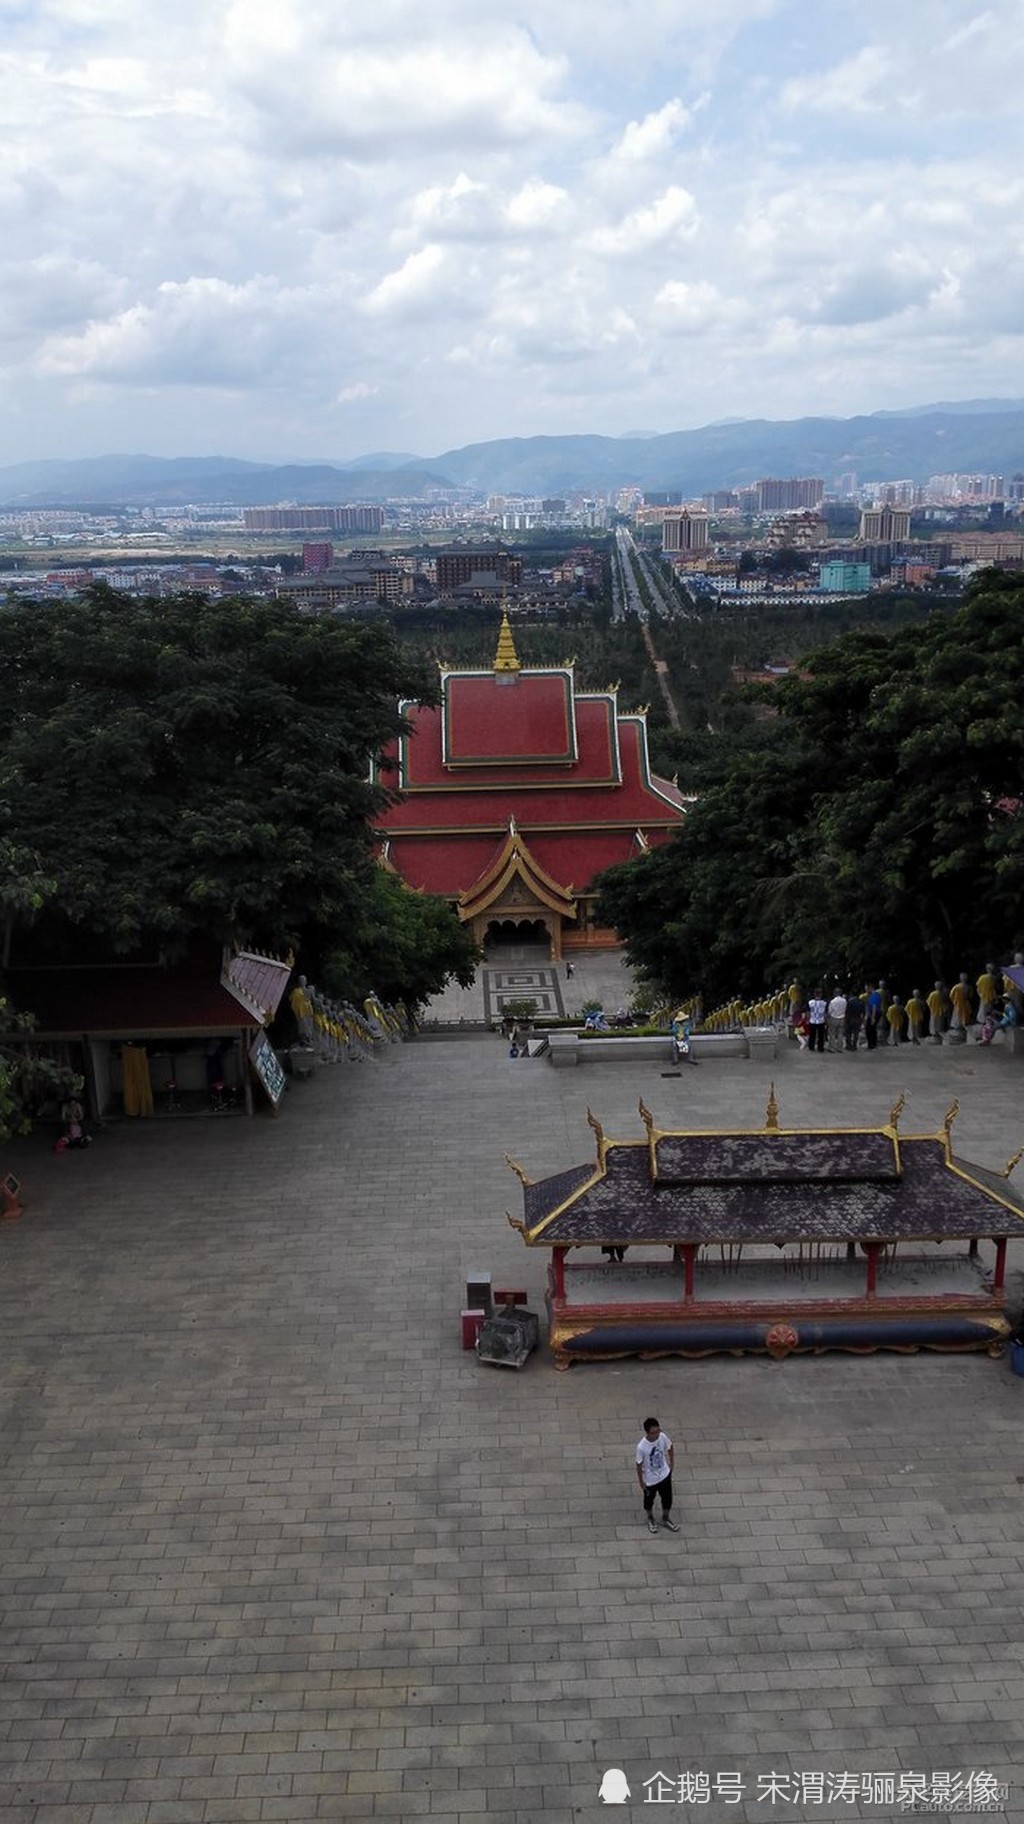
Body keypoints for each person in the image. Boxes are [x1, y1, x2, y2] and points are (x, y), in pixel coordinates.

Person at [635, 1417, 678, 1535]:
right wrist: (641, 1482)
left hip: (664, 1474)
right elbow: (638, 1464)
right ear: (647, 1433)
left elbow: (670, 1446)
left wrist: (671, 1463)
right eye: (653, 1433)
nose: (657, 1435)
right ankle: (650, 1518)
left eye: (658, 1431)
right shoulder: (641, 1447)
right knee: (649, 1501)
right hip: (650, 1480)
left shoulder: (662, 1437)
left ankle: (665, 1517)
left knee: (667, 1498)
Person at [826, 987, 847, 1054]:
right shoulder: (844, 1001)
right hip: (842, 1018)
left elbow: (829, 1011)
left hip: (834, 1018)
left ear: (835, 993)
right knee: (840, 1033)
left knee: (832, 1033)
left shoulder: (833, 1001)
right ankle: (840, 1048)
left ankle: (832, 1047)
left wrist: (828, 1019)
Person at [807, 989, 827, 1054]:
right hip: (821, 1021)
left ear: (814, 994)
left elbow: (808, 1012)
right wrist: (826, 1021)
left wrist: (808, 1019)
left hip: (812, 1021)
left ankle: (811, 1046)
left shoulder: (810, 1002)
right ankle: (820, 1048)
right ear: (821, 994)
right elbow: (825, 1013)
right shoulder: (824, 1003)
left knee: (812, 1035)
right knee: (821, 1036)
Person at [863, 983, 882, 1051]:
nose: (866, 991)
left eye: (866, 989)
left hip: (874, 1014)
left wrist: (873, 1017)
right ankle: (872, 1044)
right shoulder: (874, 995)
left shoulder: (874, 996)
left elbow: (874, 1007)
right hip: (873, 1014)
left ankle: (871, 1045)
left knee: (870, 1029)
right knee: (871, 1029)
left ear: (870, 988)